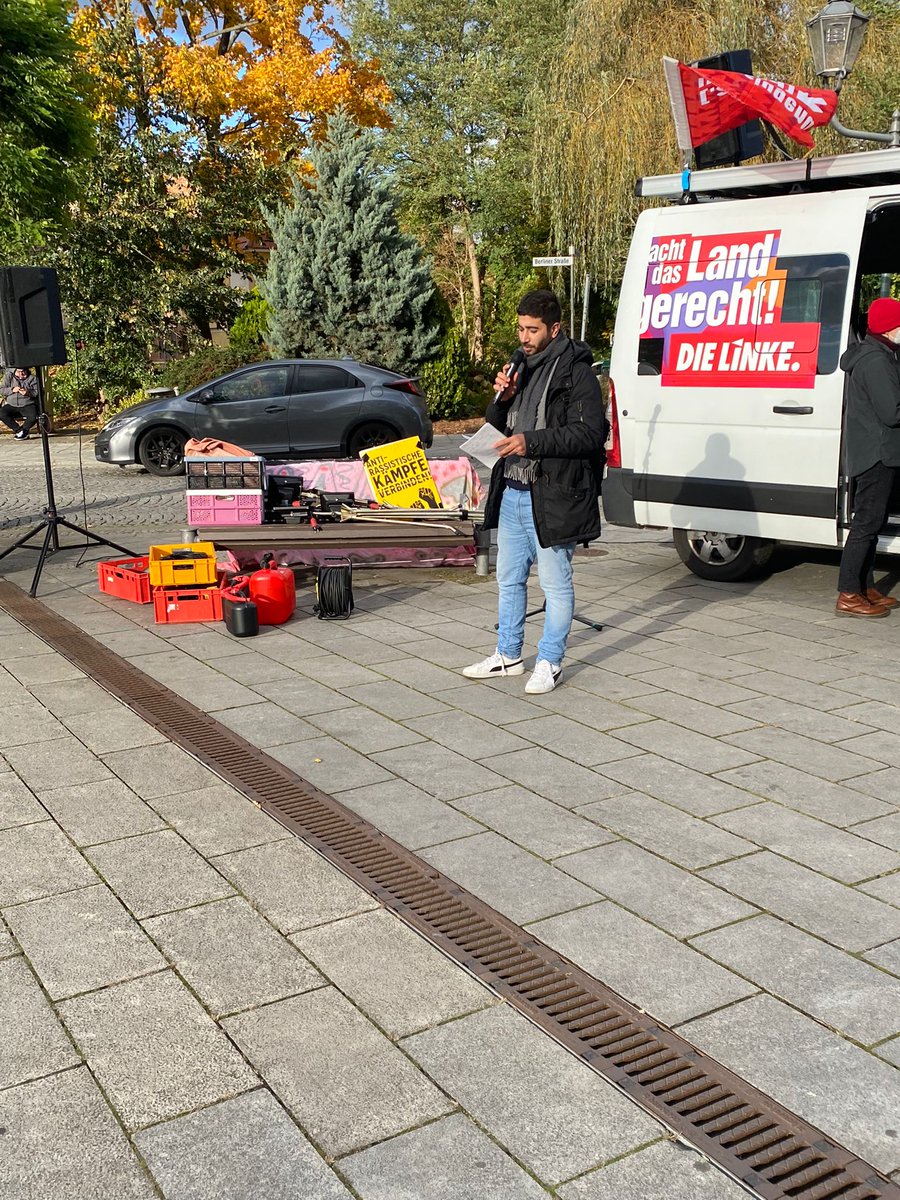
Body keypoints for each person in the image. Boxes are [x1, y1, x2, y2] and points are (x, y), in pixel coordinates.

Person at [462, 289, 607, 693]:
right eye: (520, 328)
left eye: (532, 329)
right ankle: (508, 655)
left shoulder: (576, 372)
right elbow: (498, 422)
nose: (524, 337)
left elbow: (590, 435)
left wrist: (532, 442)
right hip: (512, 488)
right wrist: (501, 399)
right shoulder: (518, 364)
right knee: (508, 579)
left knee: (556, 584)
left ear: (554, 328)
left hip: (554, 493)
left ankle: (550, 661)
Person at [835, 296, 900, 618]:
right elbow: (891, 413)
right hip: (878, 454)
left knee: (872, 525)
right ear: (890, 328)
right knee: (866, 525)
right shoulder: (876, 361)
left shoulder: (880, 354)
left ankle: (865, 586)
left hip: (877, 451)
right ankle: (848, 593)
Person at [0, 366, 39, 440]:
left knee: (34, 416)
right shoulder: (9, 376)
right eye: (19, 372)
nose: (21, 374)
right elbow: (1, 389)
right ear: (14, 371)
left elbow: (37, 392)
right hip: (12, 404)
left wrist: (28, 393)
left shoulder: (32, 378)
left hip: (27, 404)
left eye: (23, 372)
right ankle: (19, 430)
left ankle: (24, 430)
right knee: (1, 413)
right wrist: (12, 389)